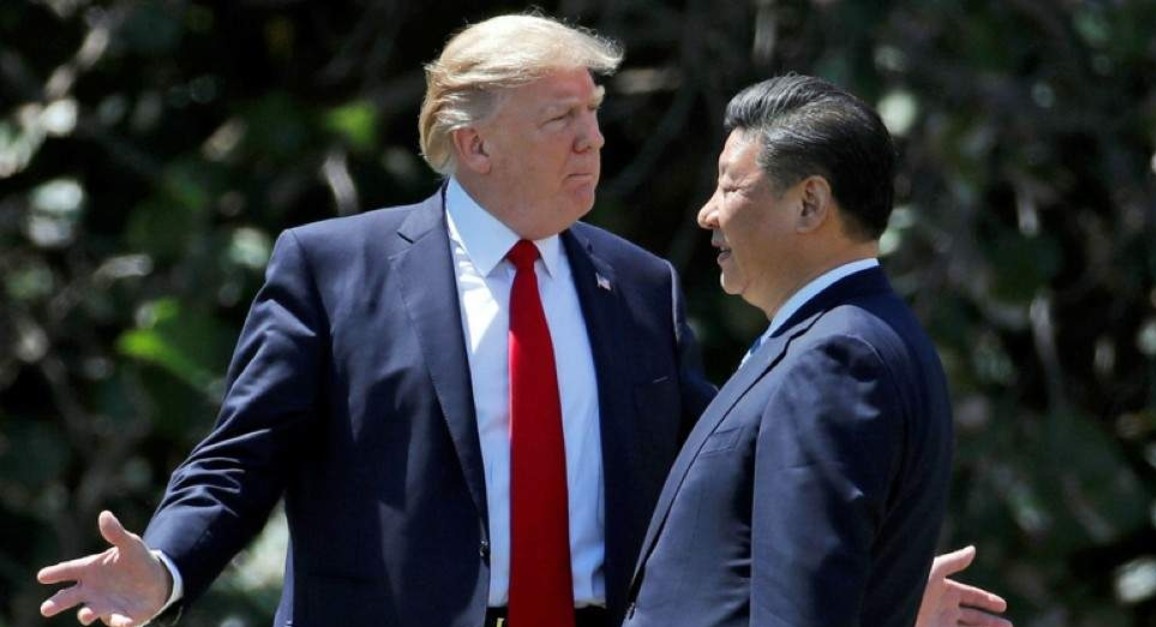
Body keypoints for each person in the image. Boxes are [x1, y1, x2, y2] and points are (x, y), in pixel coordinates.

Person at [36, 14, 1007, 627]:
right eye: (561, 119)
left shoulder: (639, 284)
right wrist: (162, 565)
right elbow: (239, 460)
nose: (594, 139)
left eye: (593, 112)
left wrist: (869, 585)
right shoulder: (335, 271)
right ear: (475, 143)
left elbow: (733, 464)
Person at [622, 74, 987, 627]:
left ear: (810, 203)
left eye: (729, 187)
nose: (708, 213)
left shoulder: (836, 358)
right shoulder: (855, 338)